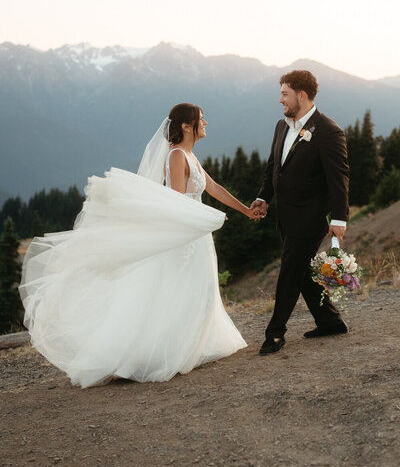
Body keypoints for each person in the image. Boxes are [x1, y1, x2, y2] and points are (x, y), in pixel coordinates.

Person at [20, 103, 255, 388]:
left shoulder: (191, 156)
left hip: (199, 234)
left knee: (201, 290)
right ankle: (162, 353)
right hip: (186, 237)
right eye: (201, 119)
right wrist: (206, 217)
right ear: (186, 126)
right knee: (182, 290)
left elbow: (214, 188)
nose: (206, 123)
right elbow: (176, 203)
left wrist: (246, 211)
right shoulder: (177, 156)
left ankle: (192, 346)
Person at [251, 71, 350, 355]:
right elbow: (273, 168)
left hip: (310, 218)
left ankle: (275, 333)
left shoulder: (329, 131)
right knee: (302, 269)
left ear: (301, 95)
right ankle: (329, 321)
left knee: (290, 270)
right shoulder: (282, 127)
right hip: (285, 215)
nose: (280, 99)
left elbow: (339, 179)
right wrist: (262, 197)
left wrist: (339, 219)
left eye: (284, 93)